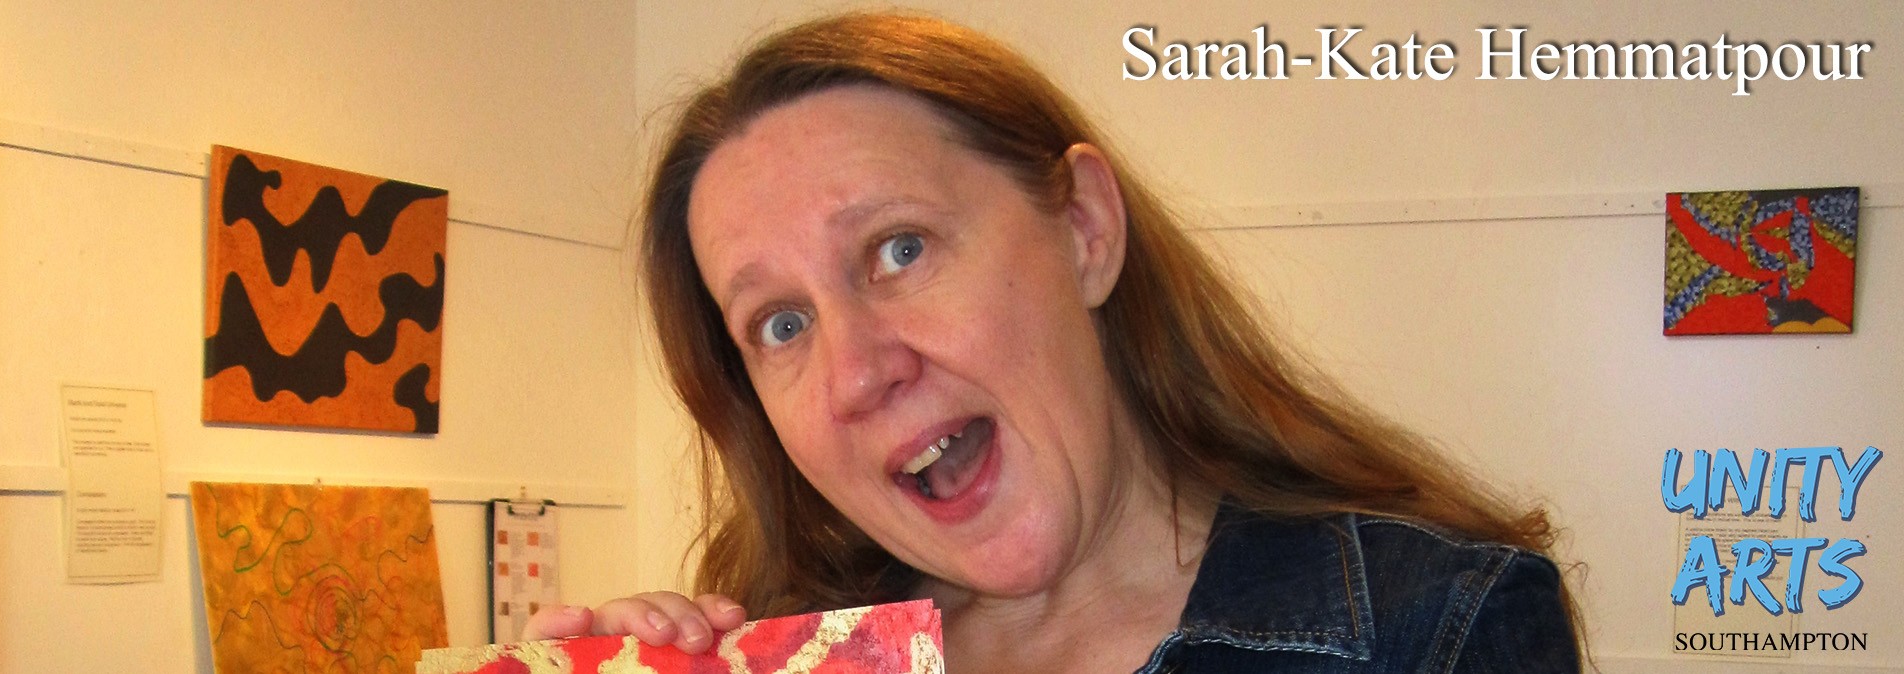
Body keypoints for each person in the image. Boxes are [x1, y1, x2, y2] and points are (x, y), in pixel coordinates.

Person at [528, 11, 1583, 673]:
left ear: (1084, 228)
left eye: (899, 249)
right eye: (782, 324)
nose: (855, 372)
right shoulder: (792, 659)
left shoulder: (1440, 630)